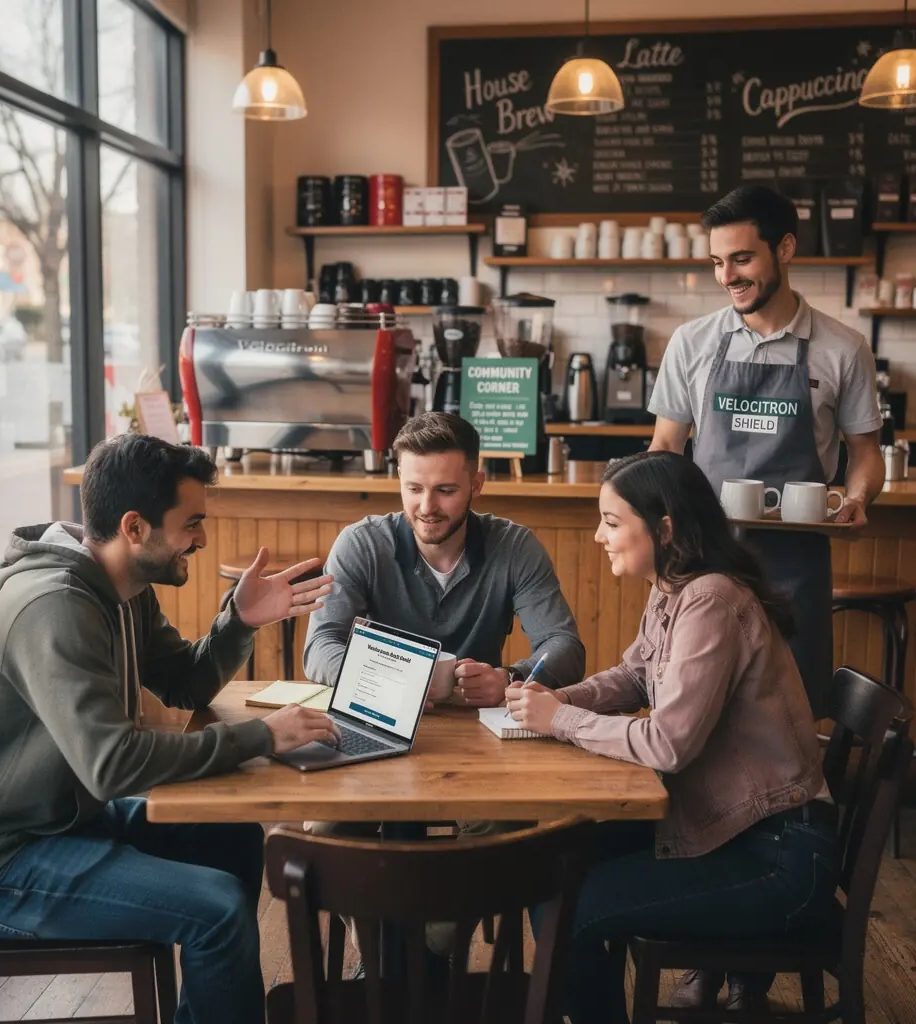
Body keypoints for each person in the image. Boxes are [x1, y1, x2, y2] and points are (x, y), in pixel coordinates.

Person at [0, 434, 341, 1024]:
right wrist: (263, 736)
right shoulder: (55, 607)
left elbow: (186, 683)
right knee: (216, 909)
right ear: (135, 527)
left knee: (233, 836)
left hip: (62, 821)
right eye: (191, 523)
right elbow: (112, 765)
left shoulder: (120, 591)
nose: (202, 538)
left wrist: (239, 620)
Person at [506, 451, 837, 1023]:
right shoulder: (675, 587)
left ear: (664, 528)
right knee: (551, 866)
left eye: (612, 523)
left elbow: (668, 744)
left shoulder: (710, 599)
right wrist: (559, 699)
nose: (598, 537)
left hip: (779, 857)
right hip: (725, 828)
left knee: (568, 906)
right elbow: (635, 673)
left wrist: (557, 720)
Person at [648, 184, 883, 724]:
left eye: (741, 258)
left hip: (795, 562)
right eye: (716, 261)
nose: (726, 276)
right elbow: (666, 448)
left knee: (789, 712)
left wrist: (857, 496)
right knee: (694, 705)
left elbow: (865, 453)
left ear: (785, 249)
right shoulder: (692, 343)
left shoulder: (843, 348)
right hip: (703, 557)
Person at [304, 410, 585, 703]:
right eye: (414, 489)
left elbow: (564, 646)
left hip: (477, 722)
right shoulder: (362, 543)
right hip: (383, 711)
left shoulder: (515, 547)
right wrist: (384, 681)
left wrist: (510, 678)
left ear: (476, 484)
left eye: (445, 491)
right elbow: (321, 646)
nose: (427, 507)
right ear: (399, 477)